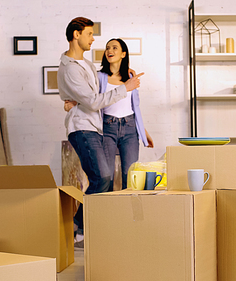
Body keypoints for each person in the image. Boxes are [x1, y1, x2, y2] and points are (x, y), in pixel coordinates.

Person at [58, 17, 143, 241]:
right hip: (84, 127)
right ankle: (77, 224)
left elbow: (92, 94)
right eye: (89, 34)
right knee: (104, 176)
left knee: (110, 179)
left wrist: (74, 100)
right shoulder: (70, 69)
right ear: (76, 35)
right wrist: (124, 87)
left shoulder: (84, 64)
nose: (93, 39)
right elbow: (94, 101)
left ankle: (87, 227)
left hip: (97, 127)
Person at [99, 38, 154, 190]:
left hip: (130, 128)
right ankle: (106, 211)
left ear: (123, 54)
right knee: (106, 176)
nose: (110, 51)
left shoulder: (131, 78)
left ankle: (127, 211)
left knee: (130, 176)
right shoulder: (99, 77)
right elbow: (91, 99)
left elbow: (135, 107)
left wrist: (143, 131)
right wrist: (72, 102)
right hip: (107, 127)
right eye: (108, 48)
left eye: (114, 48)